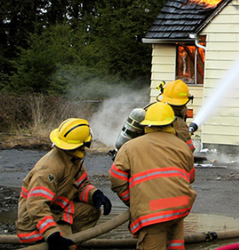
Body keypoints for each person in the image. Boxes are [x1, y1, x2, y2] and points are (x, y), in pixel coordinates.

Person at [109, 102, 197, 250]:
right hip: (180, 205)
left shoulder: (129, 147)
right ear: (172, 123)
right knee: (175, 245)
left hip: (152, 212)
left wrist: (132, 201)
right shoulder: (183, 146)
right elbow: (191, 177)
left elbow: (116, 178)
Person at [16, 118, 113, 249]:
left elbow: (81, 185)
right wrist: (51, 234)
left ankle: (70, 240)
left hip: (57, 211)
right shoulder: (48, 169)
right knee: (66, 246)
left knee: (91, 210)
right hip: (34, 223)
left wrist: (95, 194)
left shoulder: (71, 159)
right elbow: (37, 205)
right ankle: (56, 242)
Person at [157, 79, 196, 152]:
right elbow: (189, 150)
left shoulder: (152, 114)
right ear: (182, 106)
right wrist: (185, 135)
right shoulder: (179, 125)